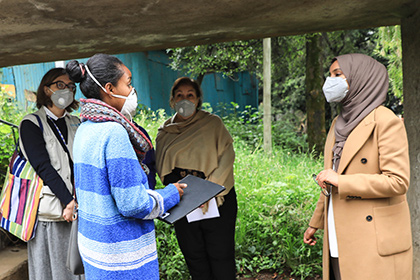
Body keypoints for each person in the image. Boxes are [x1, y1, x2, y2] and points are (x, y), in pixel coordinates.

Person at [66, 53, 186, 280]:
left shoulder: (84, 128)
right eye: (128, 83)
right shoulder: (114, 132)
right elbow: (133, 204)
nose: (132, 90)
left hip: (96, 251)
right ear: (109, 88)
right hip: (121, 260)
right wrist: (170, 194)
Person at [303, 53, 412, 280]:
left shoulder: (385, 120)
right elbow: (330, 179)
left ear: (360, 78)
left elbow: (398, 181)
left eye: (337, 74)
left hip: (372, 235)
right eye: (330, 74)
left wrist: (342, 182)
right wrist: (317, 222)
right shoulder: (338, 123)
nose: (330, 81)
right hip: (338, 228)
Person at [156, 77, 237, 280]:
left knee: (221, 255)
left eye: (190, 95)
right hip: (183, 197)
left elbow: (226, 157)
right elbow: (163, 167)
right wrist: (189, 193)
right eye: (180, 95)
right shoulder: (165, 131)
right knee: (194, 255)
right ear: (172, 100)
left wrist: (208, 192)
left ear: (198, 99)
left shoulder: (213, 124)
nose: (185, 100)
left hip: (218, 195)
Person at [19, 68, 82, 280]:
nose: (67, 90)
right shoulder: (31, 123)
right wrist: (67, 201)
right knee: (52, 271)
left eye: (71, 87)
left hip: (78, 209)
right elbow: (42, 166)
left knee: (77, 269)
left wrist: (75, 202)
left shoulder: (77, 123)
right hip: (50, 211)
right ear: (47, 89)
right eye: (60, 85)